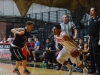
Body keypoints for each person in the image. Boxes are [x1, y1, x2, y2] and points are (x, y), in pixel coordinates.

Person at [88, 7, 100, 74]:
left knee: (96, 55)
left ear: (95, 11)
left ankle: (99, 69)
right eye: (90, 11)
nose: (91, 12)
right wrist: (89, 39)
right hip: (91, 38)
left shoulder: (98, 19)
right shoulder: (90, 20)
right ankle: (93, 69)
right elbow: (90, 30)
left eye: (92, 10)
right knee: (91, 55)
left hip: (96, 38)